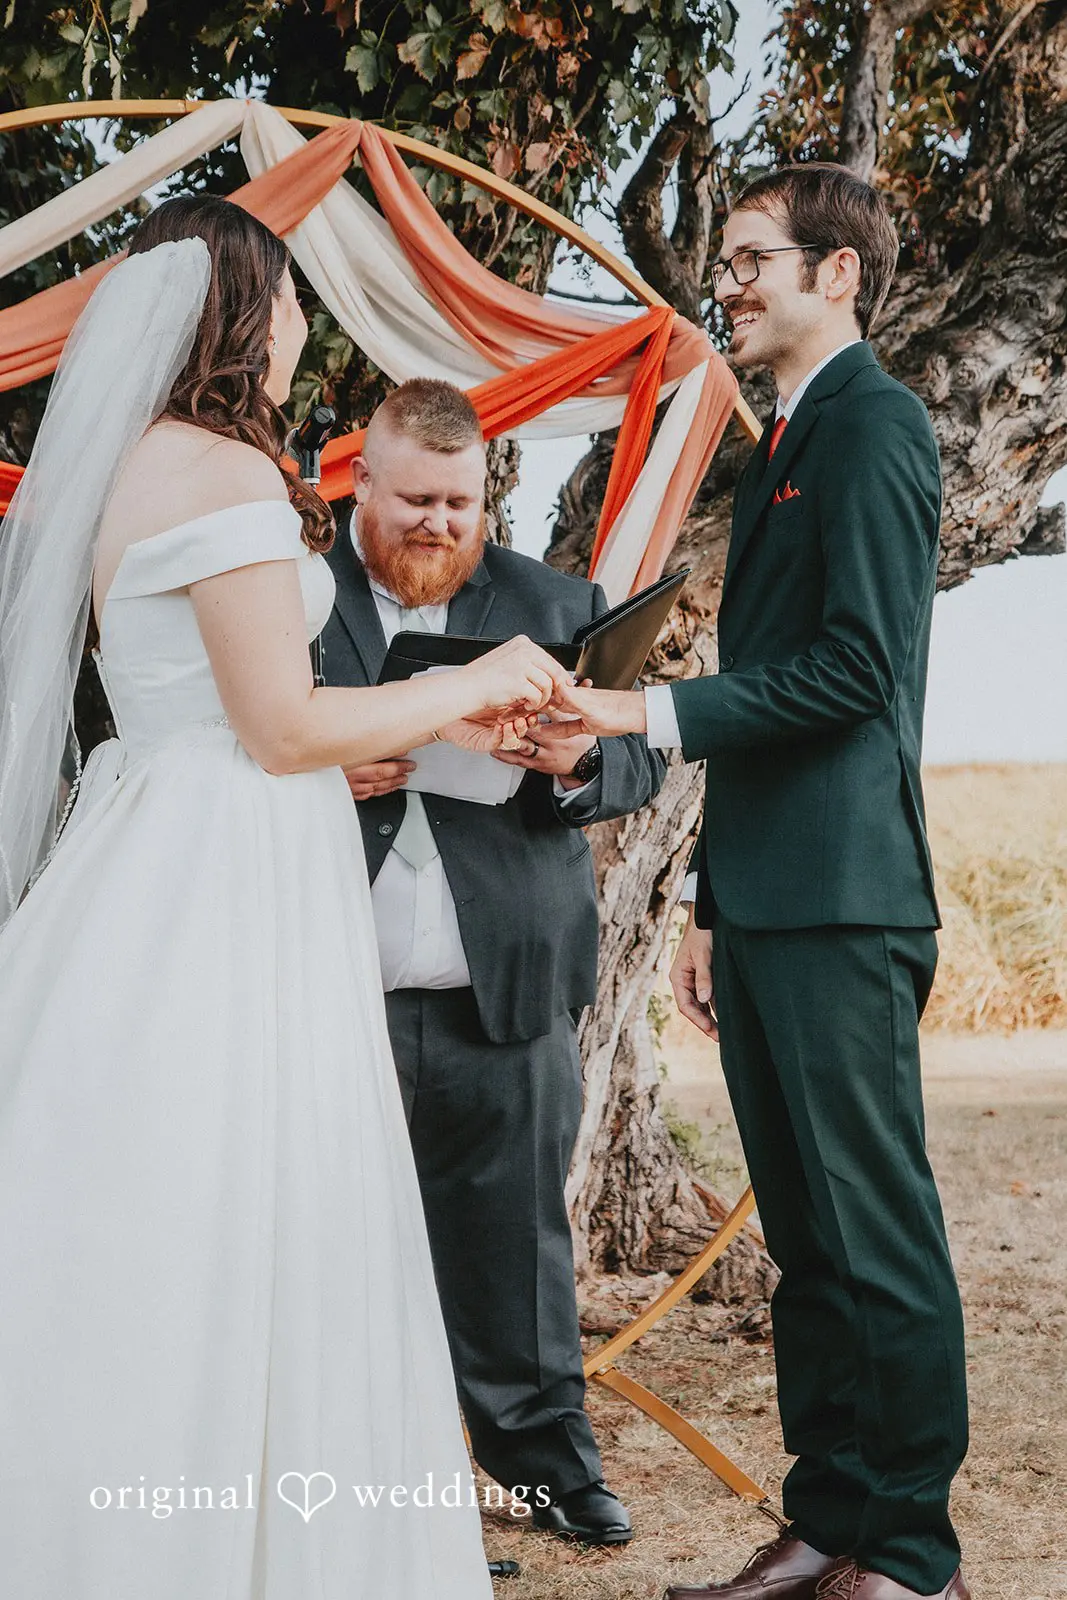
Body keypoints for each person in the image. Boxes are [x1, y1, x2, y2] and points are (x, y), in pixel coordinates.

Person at [0, 195, 574, 1599]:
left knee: (139, 1191)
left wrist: (381, 730)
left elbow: (207, 704)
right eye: (297, 303)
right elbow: (274, 726)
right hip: (231, 869)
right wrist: (468, 682)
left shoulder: (134, 463)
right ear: (243, 311)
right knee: (256, 1191)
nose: (306, 330)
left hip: (152, 838)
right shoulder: (234, 478)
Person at [542, 165, 970, 1600]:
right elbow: (776, 692)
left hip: (850, 903)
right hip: (774, 904)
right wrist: (711, 909)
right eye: (722, 260)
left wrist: (638, 715)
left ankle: (906, 1555)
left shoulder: (874, 426)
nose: (722, 281)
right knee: (806, 1245)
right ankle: (824, 1527)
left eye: (749, 258)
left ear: (834, 275)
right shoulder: (784, 439)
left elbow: (854, 675)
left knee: (874, 1237)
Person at [319, 377, 665, 1546]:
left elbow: (634, 772)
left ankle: (546, 1474)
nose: (438, 525)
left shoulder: (555, 600)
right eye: (414, 499)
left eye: (461, 504)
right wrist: (328, 768)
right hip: (321, 993)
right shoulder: (284, 595)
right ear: (357, 481)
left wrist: (574, 759)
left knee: (517, 1249)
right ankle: (360, 1494)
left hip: (502, 988)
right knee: (325, 1252)